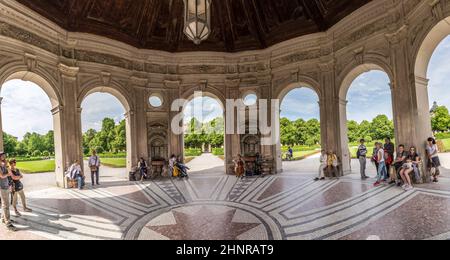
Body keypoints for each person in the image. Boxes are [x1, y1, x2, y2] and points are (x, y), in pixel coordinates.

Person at [0, 152, 16, 231]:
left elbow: (8, 172)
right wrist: (9, 174)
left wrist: (6, 165)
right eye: (3, 156)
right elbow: (2, 176)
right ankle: (8, 223)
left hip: (6, 186)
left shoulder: (4, 165)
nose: (4, 157)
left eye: (5, 156)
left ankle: (4, 218)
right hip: (2, 187)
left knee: (5, 204)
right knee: (5, 205)